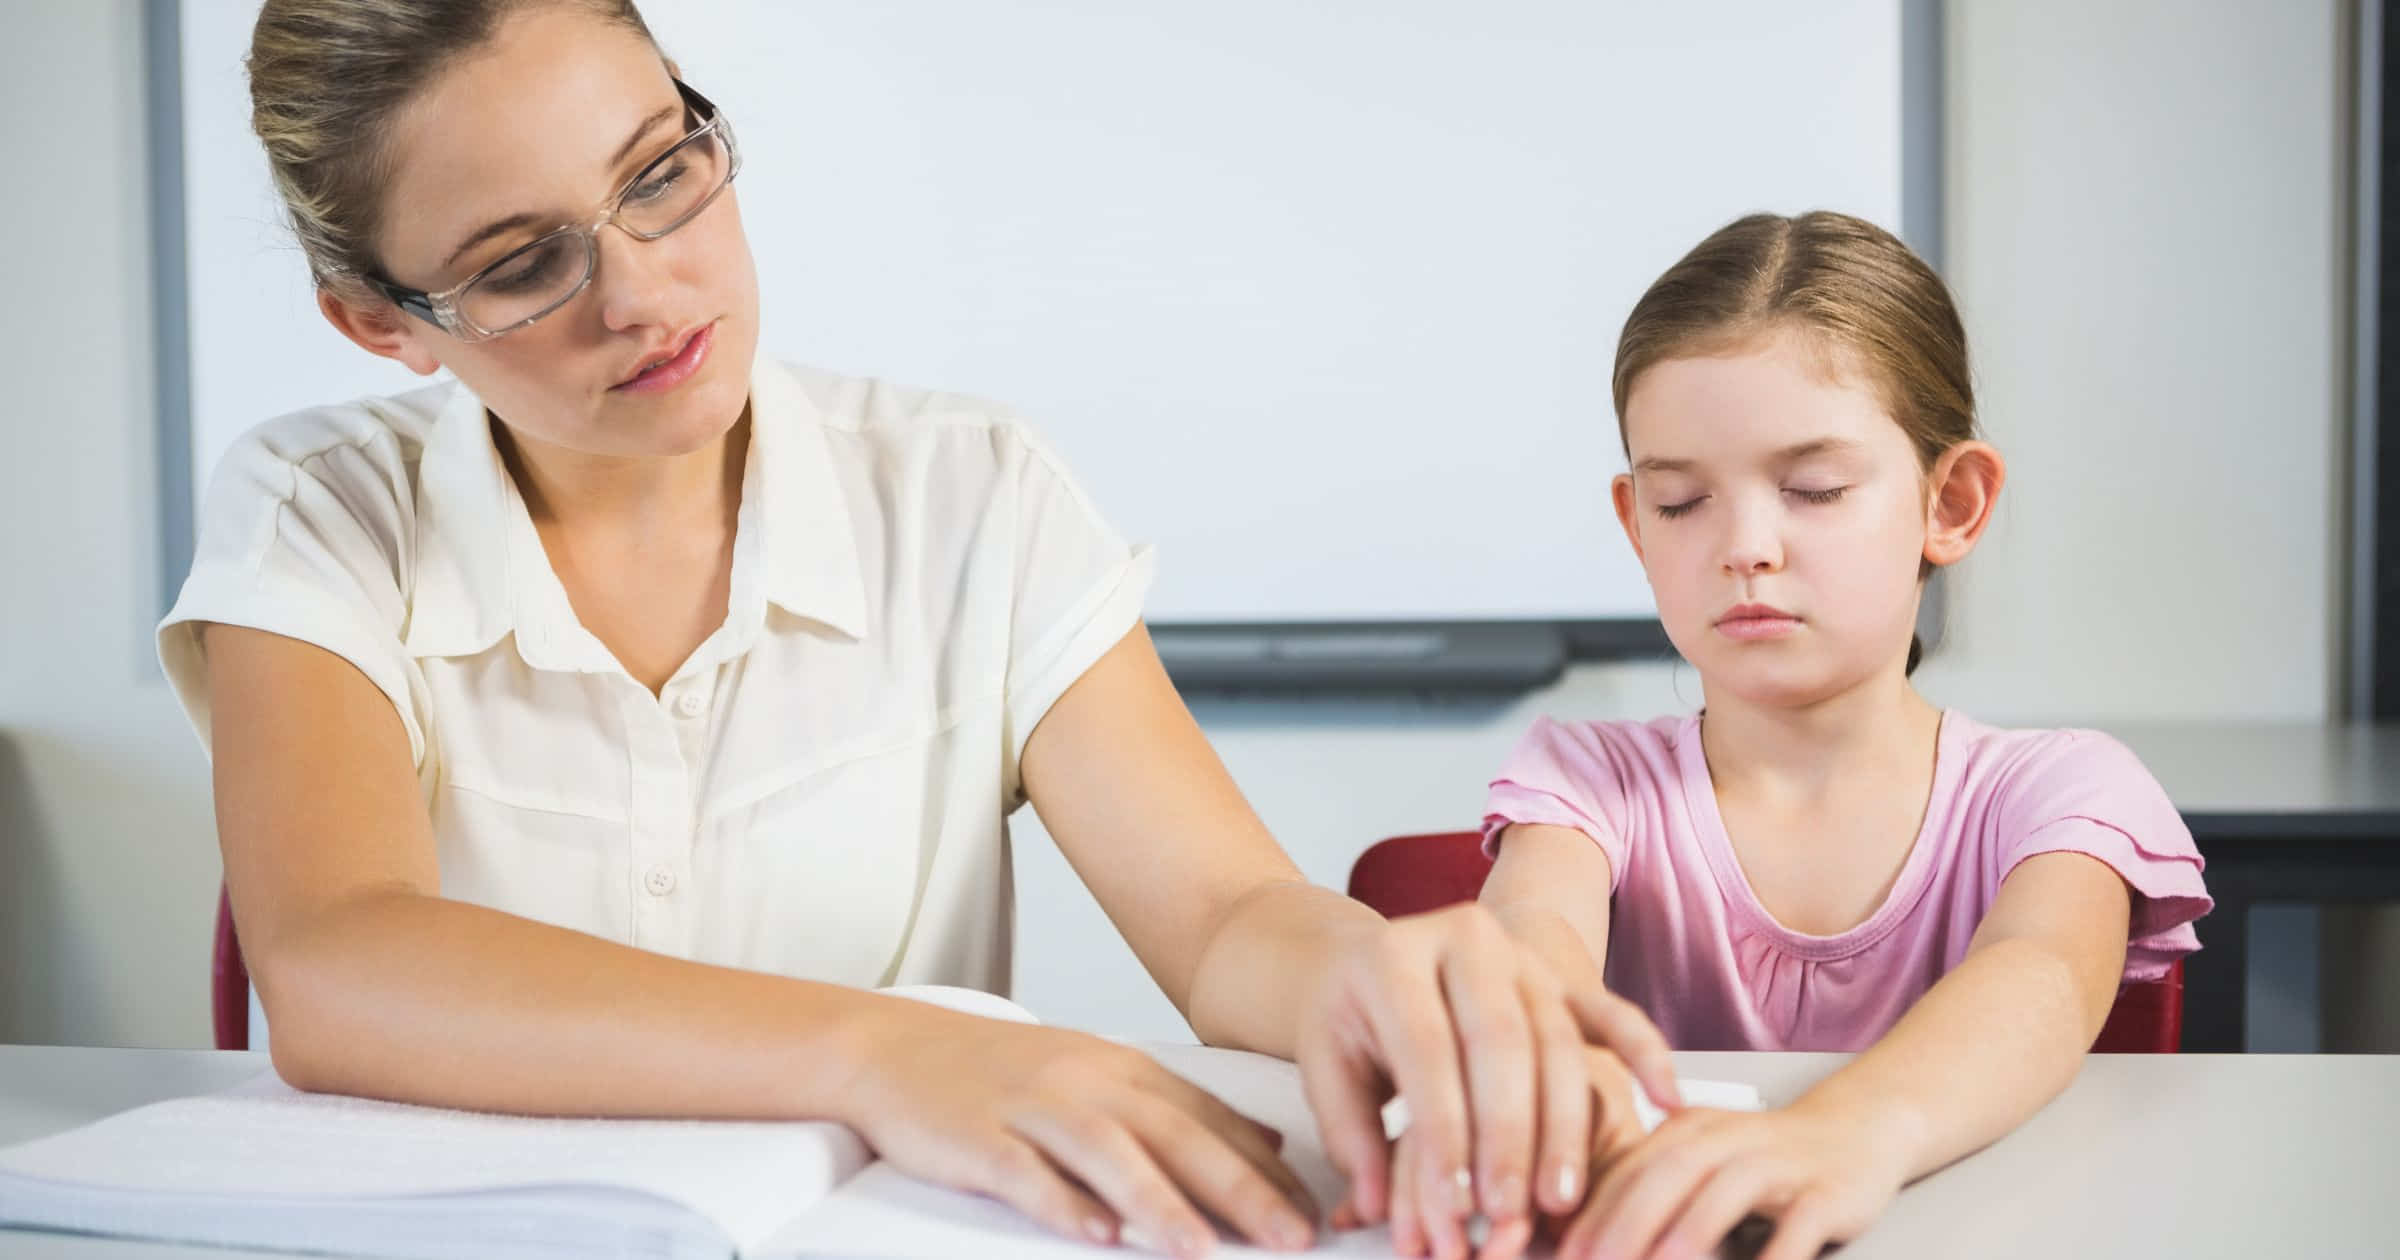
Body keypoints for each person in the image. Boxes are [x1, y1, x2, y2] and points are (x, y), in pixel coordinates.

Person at [159, 3, 1679, 1256]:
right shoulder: (320, 509)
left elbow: (1225, 918)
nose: (642, 292)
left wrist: (1370, 978)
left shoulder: (971, 490)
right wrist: (891, 1052)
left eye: (660, 173)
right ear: (381, 321)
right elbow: (340, 961)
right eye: (520, 265)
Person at [1401, 211, 2211, 1260]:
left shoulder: (2065, 792)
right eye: (1681, 501)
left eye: (1813, 490)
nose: (1745, 547)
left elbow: (2043, 973)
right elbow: (1533, 941)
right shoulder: (1586, 780)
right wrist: (1543, 1059)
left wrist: (1841, 1136)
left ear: (1952, 504)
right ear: (1635, 524)